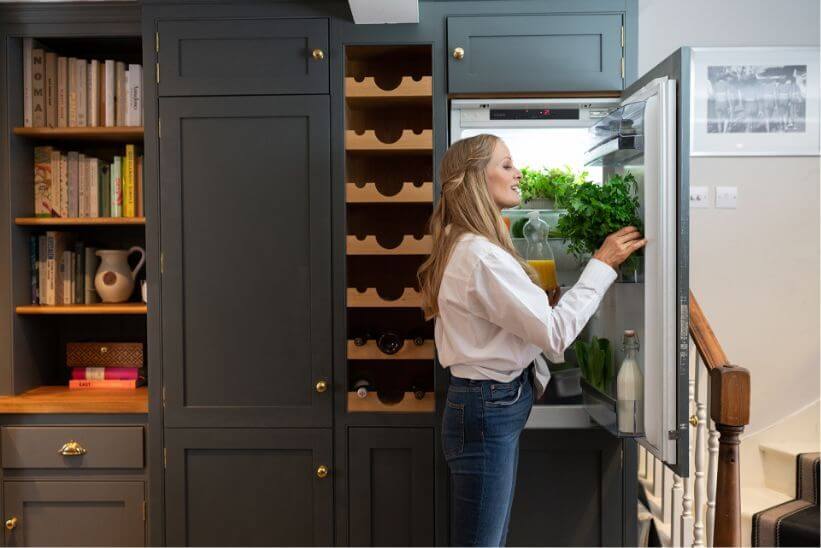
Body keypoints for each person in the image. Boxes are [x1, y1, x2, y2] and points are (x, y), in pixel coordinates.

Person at [417, 134, 646, 547]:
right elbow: (556, 334)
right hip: (487, 407)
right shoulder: (482, 256)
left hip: (486, 404)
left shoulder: (469, 245)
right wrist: (602, 263)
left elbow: (499, 323)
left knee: (487, 538)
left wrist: (538, 307)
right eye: (506, 165)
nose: (518, 172)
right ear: (476, 179)